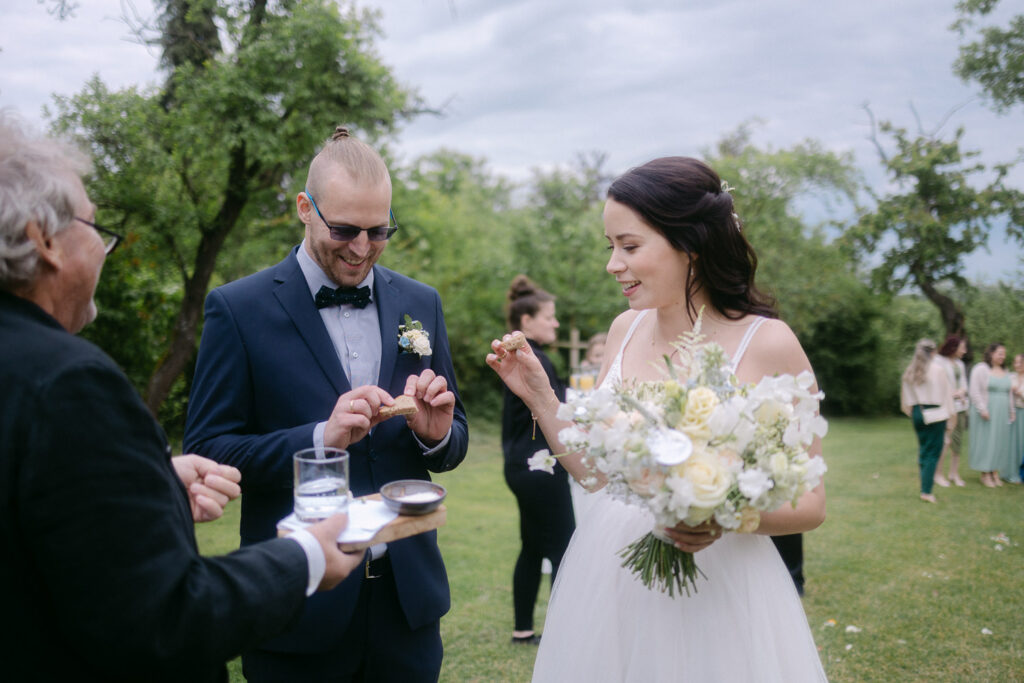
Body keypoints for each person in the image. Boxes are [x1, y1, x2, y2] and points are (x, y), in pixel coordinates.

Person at [0, 113, 364, 683]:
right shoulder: (68, 383)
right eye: (94, 227)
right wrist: (308, 556)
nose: (103, 248)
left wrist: (153, 484)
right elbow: (163, 618)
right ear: (41, 240)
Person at [487, 157, 827, 681]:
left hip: (722, 587)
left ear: (690, 243)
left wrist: (719, 514)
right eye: (610, 247)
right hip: (610, 575)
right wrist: (540, 398)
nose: (613, 264)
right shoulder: (623, 330)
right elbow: (595, 473)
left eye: (629, 246)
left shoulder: (768, 342)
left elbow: (811, 503)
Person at [184, 127, 469, 682]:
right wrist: (321, 439)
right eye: (343, 230)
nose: (361, 248)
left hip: (408, 605)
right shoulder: (236, 310)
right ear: (304, 209)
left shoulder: (420, 302)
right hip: (298, 605)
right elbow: (208, 450)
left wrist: (435, 433)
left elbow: (453, 440)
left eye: (378, 231)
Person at [500, 275, 575, 645]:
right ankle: (566, 632)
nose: (556, 323)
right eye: (550, 317)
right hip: (540, 464)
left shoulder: (524, 357)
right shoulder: (535, 360)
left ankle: (523, 629)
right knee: (565, 547)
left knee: (532, 547)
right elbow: (556, 413)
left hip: (518, 464)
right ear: (526, 322)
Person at [900, 339, 955, 503]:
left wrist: (911, 411)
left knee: (924, 450)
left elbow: (905, 399)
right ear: (933, 352)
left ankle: (925, 484)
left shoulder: (910, 370)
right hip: (936, 412)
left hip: (917, 411)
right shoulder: (938, 370)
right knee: (933, 452)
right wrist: (951, 415)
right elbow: (946, 394)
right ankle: (926, 490)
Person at [968, 343, 1015, 487]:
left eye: (1004, 354)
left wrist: (1011, 410)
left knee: (999, 441)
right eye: (1000, 353)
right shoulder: (981, 369)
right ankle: (985, 473)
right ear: (991, 353)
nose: (1003, 357)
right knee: (987, 441)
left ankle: (994, 472)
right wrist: (982, 409)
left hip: (1002, 411)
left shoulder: (1005, 371)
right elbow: (974, 391)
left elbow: (1010, 393)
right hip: (987, 411)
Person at [934, 335, 970, 487]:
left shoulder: (960, 364)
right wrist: (952, 393)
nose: (965, 351)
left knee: (957, 441)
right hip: (945, 407)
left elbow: (964, 384)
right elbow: (937, 384)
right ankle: (938, 474)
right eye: (962, 348)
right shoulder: (938, 361)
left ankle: (954, 473)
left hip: (960, 406)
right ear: (954, 347)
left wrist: (961, 392)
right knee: (945, 441)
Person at [1009, 354, 1024, 484]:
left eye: (1020, 362)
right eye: (1016, 362)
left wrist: (1021, 393)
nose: (1017, 365)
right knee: (1013, 443)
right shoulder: (1011, 377)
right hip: (1013, 413)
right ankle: (1012, 471)